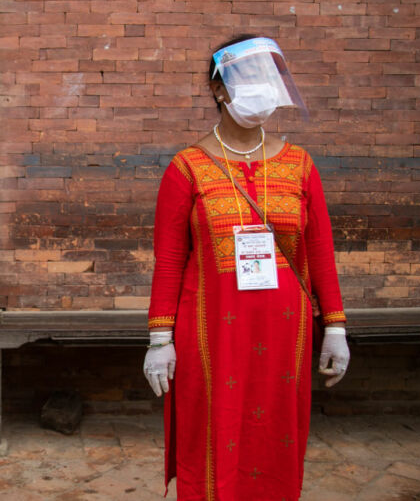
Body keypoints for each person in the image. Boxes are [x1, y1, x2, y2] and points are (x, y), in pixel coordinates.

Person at [143, 35, 350, 501]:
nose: (263, 87)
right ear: (218, 90)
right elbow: (170, 259)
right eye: (250, 77)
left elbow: (320, 250)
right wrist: (160, 338)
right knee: (212, 428)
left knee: (276, 432)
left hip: (285, 330)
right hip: (211, 330)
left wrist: (335, 328)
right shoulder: (187, 167)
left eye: (268, 77)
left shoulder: (300, 165)